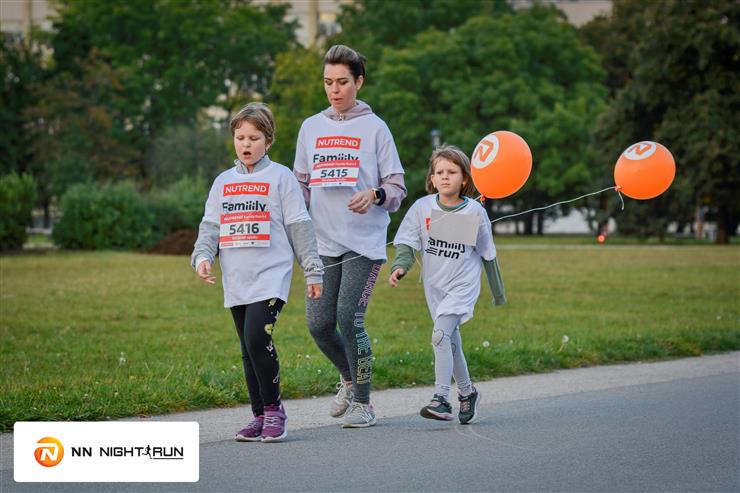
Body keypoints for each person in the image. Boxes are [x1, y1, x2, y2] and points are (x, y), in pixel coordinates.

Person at [191, 102, 324, 442]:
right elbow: (211, 226)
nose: (246, 144)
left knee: (256, 338)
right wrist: (203, 256)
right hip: (237, 279)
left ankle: (275, 410)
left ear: (268, 140)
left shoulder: (281, 177)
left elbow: (299, 226)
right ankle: (259, 415)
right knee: (247, 348)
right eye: (240, 138)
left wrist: (313, 270)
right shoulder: (223, 182)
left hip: (270, 277)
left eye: (254, 138)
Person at [293, 45, 407, 428]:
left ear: (359, 82)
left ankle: (364, 402)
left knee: (349, 317)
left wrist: (374, 194)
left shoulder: (375, 128)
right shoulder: (311, 127)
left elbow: (397, 188)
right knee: (319, 325)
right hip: (323, 242)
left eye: (342, 82)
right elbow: (301, 185)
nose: (334, 90)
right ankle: (347, 377)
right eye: (328, 82)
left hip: (364, 243)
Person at [389, 145, 506, 424]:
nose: (444, 176)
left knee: (439, 336)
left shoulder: (475, 211)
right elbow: (407, 240)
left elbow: (488, 253)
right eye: (439, 172)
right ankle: (467, 392)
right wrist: (400, 266)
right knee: (449, 341)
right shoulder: (422, 208)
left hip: (462, 286)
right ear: (432, 178)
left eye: (452, 172)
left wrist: (498, 292)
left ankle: (440, 398)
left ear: (464, 179)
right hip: (435, 287)